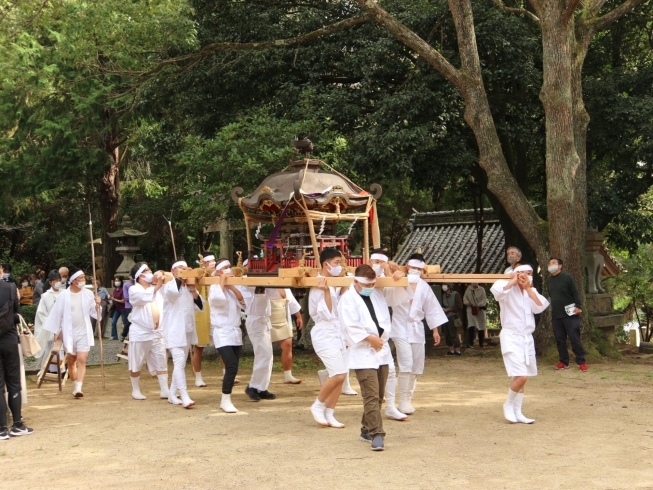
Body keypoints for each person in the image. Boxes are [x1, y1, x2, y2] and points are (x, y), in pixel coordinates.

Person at [337, 264, 396, 451]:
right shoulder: (347, 300)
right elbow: (350, 326)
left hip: (381, 350)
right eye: (366, 285)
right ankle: (377, 435)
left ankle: (365, 429)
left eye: (372, 284)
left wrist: (392, 270)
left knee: (379, 396)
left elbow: (398, 295)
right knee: (370, 395)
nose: (370, 288)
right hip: (362, 352)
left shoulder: (377, 294)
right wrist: (370, 339)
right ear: (355, 282)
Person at [490, 264, 549, 424]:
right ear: (516, 273)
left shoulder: (531, 290)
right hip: (511, 336)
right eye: (525, 273)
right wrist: (512, 281)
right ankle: (508, 404)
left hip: (526, 338)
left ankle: (518, 411)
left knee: (523, 376)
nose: (528, 276)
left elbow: (541, 306)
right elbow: (496, 293)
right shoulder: (504, 284)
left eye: (530, 273)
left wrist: (528, 288)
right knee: (521, 376)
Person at [389, 253, 447, 415]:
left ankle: (408, 399)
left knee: (415, 365)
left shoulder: (424, 286)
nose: (415, 271)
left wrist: (435, 330)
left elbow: (431, 308)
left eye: (418, 269)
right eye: (412, 268)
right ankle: (401, 401)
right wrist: (392, 272)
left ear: (423, 270)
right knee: (406, 362)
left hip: (417, 329)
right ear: (407, 267)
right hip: (400, 326)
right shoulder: (398, 280)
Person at [43, 267, 102, 398]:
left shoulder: (88, 293)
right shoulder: (64, 295)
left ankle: (79, 387)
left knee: (82, 359)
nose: (83, 281)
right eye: (80, 279)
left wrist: (98, 304)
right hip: (69, 332)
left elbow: (95, 313)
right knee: (71, 360)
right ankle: (74, 384)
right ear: (74, 281)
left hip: (84, 332)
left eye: (84, 278)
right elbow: (56, 313)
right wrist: (56, 331)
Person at [368, 248, 410, 421]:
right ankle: (371, 408)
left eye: (380, 263)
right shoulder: (359, 278)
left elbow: (396, 299)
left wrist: (393, 273)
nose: (377, 265)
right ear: (369, 262)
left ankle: (391, 406)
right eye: (374, 262)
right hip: (366, 335)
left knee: (390, 372)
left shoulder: (385, 282)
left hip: (383, 335)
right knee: (370, 374)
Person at [161, 261, 204, 409]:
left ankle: (172, 394)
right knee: (179, 361)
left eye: (185, 268)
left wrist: (193, 290)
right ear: (173, 271)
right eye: (180, 268)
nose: (183, 270)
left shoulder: (188, 289)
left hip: (187, 331)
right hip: (173, 331)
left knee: (180, 363)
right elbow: (173, 294)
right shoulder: (168, 287)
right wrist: (181, 278)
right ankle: (184, 395)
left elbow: (201, 307)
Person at [209, 258, 247, 413]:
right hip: (221, 331)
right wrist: (222, 282)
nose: (229, 270)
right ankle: (225, 399)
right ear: (218, 271)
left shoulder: (233, 286)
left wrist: (231, 286)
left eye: (230, 267)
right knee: (230, 365)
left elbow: (243, 302)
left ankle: (226, 398)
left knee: (234, 366)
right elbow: (218, 301)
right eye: (225, 268)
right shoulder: (214, 287)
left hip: (234, 331)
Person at [127, 262, 169, 400]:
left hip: (157, 332)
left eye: (151, 269)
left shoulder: (157, 288)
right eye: (147, 270)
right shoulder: (134, 289)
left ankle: (164, 390)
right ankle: (135, 390)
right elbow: (142, 298)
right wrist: (157, 287)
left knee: (161, 359)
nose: (150, 272)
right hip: (140, 331)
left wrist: (161, 276)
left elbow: (170, 280)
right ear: (140, 275)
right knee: (136, 361)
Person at [0, 263, 33, 439]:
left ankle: (1, 428)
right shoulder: (11, 287)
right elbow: (16, 316)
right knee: (13, 383)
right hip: (10, 340)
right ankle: (17, 424)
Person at [546, 258, 587, 372]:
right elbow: (551, 294)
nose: (550, 265)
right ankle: (564, 361)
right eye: (549, 263)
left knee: (574, 338)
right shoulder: (549, 280)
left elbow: (575, 292)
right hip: (556, 315)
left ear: (560, 266)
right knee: (560, 339)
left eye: (553, 263)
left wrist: (578, 306)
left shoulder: (567, 278)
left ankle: (581, 361)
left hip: (570, 313)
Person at [243, 286, 276, 402]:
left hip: (264, 321)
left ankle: (261, 387)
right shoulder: (245, 283)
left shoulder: (264, 284)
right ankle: (253, 386)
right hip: (255, 321)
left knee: (268, 356)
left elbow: (278, 295)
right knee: (262, 355)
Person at [267, 287, 303, 384]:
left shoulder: (285, 287)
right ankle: (264, 377)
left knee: (287, 346)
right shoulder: (264, 284)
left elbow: (292, 303)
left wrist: (298, 316)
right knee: (265, 351)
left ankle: (288, 375)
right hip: (267, 320)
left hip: (283, 319)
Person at [34, 270, 65, 375]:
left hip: (64, 325)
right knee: (51, 348)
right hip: (51, 326)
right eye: (55, 280)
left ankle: (63, 369)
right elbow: (41, 313)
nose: (57, 282)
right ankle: (49, 369)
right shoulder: (45, 296)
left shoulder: (65, 293)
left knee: (65, 348)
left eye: (59, 280)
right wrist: (51, 325)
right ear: (51, 282)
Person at [192, 253, 215, 388]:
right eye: (210, 262)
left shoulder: (216, 275)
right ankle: (198, 377)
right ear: (204, 263)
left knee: (222, 345)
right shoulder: (198, 274)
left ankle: (227, 373)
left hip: (215, 314)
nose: (213, 263)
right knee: (199, 347)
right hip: (202, 314)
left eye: (214, 261)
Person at [463, 283, 488, 348]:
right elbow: (465, 298)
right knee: (471, 325)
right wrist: (468, 303)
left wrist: (479, 305)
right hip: (471, 310)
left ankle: (481, 343)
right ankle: (471, 343)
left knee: (481, 326)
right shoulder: (468, 289)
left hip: (480, 310)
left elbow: (484, 299)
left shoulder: (482, 289)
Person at [442, 284, 463, 355]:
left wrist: (450, 309)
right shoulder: (444, 295)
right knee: (446, 333)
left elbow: (459, 306)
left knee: (453, 333)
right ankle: (451, 350)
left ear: (449, 287)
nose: (444, 287)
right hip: (445, 316)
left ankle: (458, 350)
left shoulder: (455, 294)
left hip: (453, 316)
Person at [109, 275, 127, 341]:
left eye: (118, 280)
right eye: (115, 281)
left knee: (125, 323)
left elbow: (123, 300)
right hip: (116, 308)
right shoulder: (114, 290)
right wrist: (111, 300)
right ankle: (114, 336)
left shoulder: (122, 290)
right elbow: (113, 298)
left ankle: (124, 335)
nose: (116, 282)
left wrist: (115, 299)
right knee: (113, 322)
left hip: (123, 308)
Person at [121, 275, 134, 340]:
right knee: (129, 321)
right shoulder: (126, 285)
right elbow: (126, 297)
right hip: (128, 306)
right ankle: (124, 334)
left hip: (136, 306)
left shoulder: (137, 284)